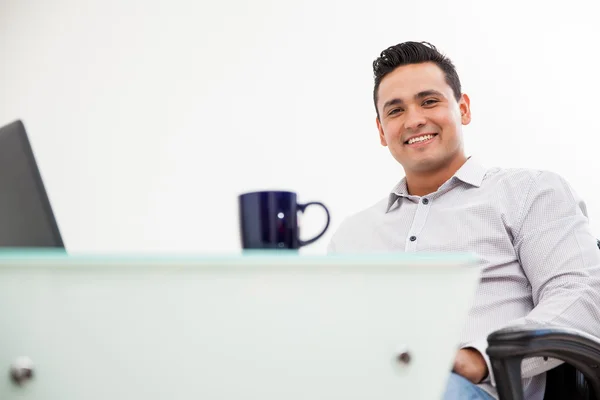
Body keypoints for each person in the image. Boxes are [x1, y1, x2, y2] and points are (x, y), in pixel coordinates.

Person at [326, 41, 600, 400]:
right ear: (381, 131)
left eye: (429, 101)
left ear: (463, 108)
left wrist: (478, 357)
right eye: (395, 110)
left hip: (475, 390)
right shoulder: (352, 235)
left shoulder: (530, 192)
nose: (414, 120)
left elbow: (582, 297)